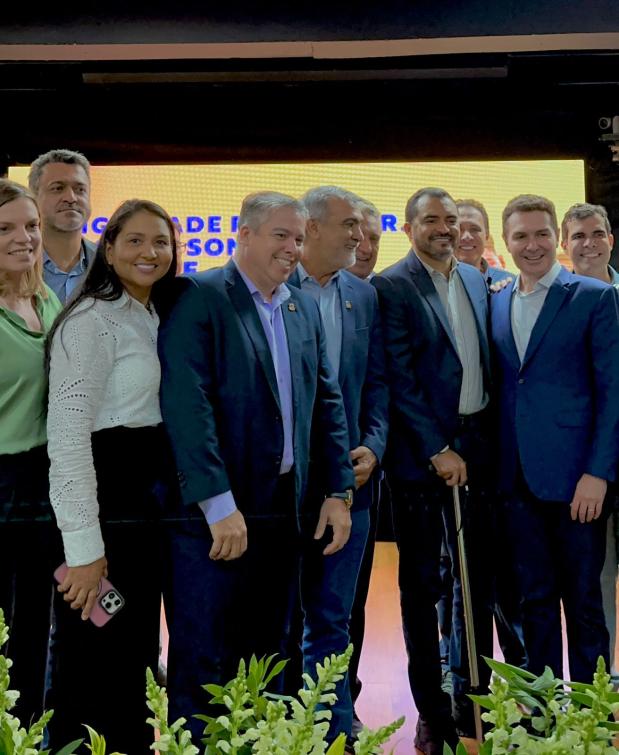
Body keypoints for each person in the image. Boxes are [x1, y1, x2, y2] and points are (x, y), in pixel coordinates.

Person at [158, 191, 355, 740]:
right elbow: (187, 406)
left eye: (298, 237)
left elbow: (328, 403)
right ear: (243, 234)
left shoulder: (300, 305)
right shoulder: (197, 295)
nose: (293, 248)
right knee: (205, 660)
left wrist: (338, 491)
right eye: (280, 235)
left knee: (271, 655)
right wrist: (217, 504)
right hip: (214, 519)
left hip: (283, 513)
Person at [45, 199, 177, 753]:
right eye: (135, 241)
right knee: (93, 660)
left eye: (161, 242)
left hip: (146, 512)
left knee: (134, 658)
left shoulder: (150, 312)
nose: (149, 253)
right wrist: (84, 550)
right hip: (106, 511)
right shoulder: (91, 320)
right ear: (110, 247)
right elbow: (70, 440)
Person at [373, 187, 495, 754]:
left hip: (479, 448)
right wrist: (436, 448)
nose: (445, 229)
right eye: (432, 220)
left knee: (477, 582)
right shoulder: (390, 287)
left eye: (451, 220)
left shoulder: (474, 278)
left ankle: (476, 698)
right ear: (408, 226)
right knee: (423, 587)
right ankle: (433, 711)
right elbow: (399, 377)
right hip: (423, 462)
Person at [491, 194, 619, 681]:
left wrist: (598, 473)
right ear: (506, 242)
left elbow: (613, 394)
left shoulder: (593, 297)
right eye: (521, 236)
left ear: (556, 240)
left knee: (585, 604)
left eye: (542, 233)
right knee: (534, 602)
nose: (532, 244)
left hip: (577, 483)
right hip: (516, 484)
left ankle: (590, 713)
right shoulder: (498, 299)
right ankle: (544, 717)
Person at [287, 187, 388, 746]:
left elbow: (376, 386)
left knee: (333, 618)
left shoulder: (363, 296)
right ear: (313, 228)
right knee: (281, 621)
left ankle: (333, 730)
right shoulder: (275, 290)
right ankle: (285, 728)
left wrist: (373, 445)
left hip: (354, 486)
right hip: (285, 488)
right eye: (349, 225)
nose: (360, 237)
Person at [0, 179, 62, 724]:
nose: (25, 238)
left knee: (34, 627)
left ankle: (26, 736)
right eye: (5, 228)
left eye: (31, 225)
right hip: (0, 482)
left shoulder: (46, 297)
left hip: (47, 481)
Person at [561, 201, 619, 685]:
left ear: (610, 240)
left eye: (596, 234)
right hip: (588, 466)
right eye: (577, 236)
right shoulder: (560, 303)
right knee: (594, 578)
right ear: (565, 245)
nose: (588, 243)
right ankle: (604, 678)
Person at [28, 149, 96, 303]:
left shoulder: (110, 265)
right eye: (58, 188)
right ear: (33, 199)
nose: (71, 198)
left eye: (80, 190)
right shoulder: (11, 264)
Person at [455, 199, 512, 286]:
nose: (466, 237)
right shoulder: (431, 285)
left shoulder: (508, 285)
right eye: (459, 229)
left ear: (486, 236)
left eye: (474, 229)